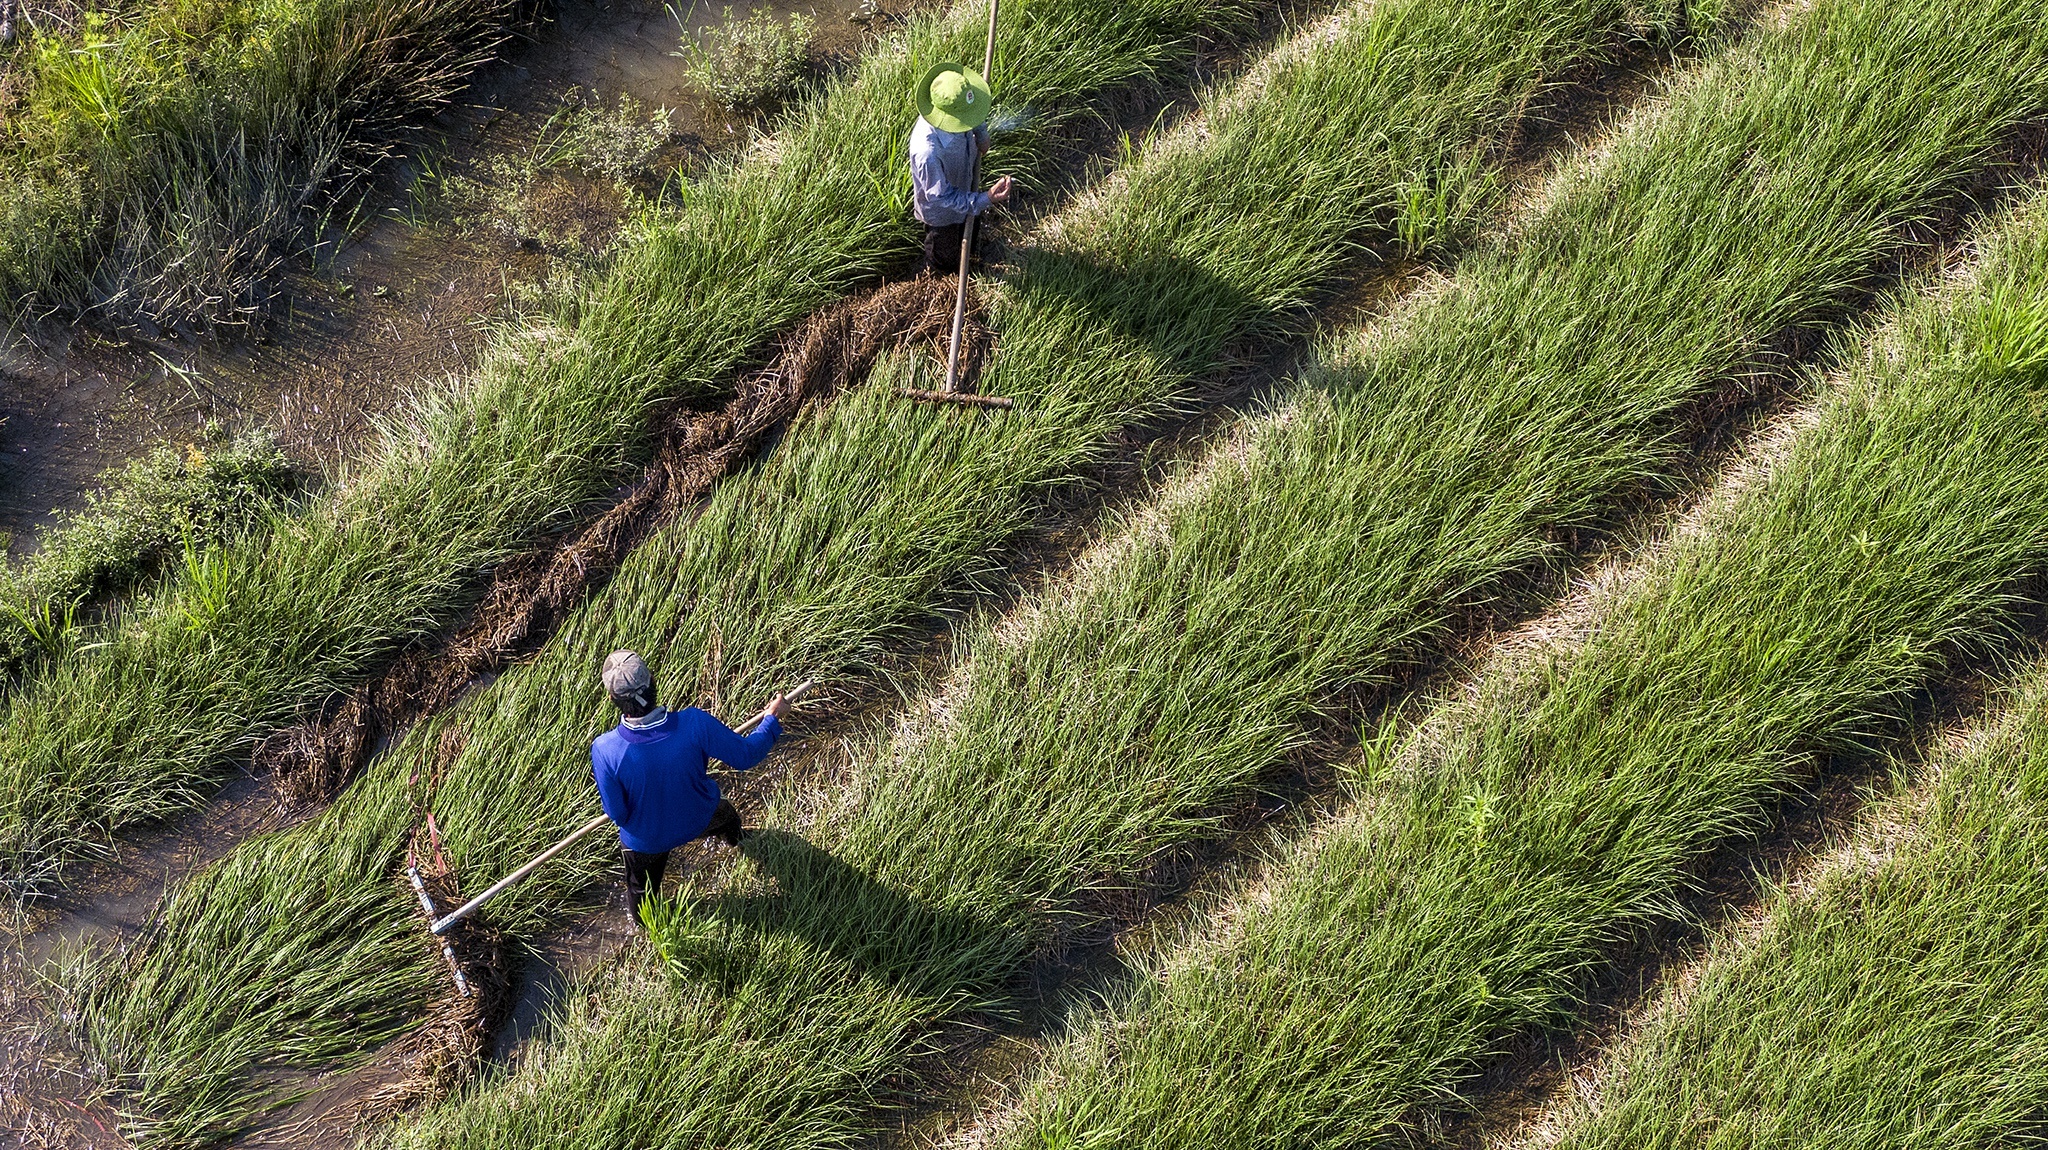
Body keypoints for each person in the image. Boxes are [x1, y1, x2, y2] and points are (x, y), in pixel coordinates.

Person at [590, 650, 790, 923]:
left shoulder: (604, 749)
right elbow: (746, 755)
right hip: (700, 817)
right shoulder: (695, 723)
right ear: (653, 681)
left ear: (613, 699)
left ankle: (645, 924)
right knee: (727, 817)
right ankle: (738, 841)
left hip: (647, 842)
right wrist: (771, 719)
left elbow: (617, 814)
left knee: (641, 895)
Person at [910, 60, 1013, 275]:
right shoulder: (927, 152)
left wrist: (982, 135)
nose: (970, 121)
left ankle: (971, 256)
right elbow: (942, 197)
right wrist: (986, 198)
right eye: (964, 121)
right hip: (942, 214)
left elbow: (974, 113)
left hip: (967, 186)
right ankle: (943, 274)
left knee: (972, 229)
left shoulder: (960, 108)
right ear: (948, 118)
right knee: (944, 256)